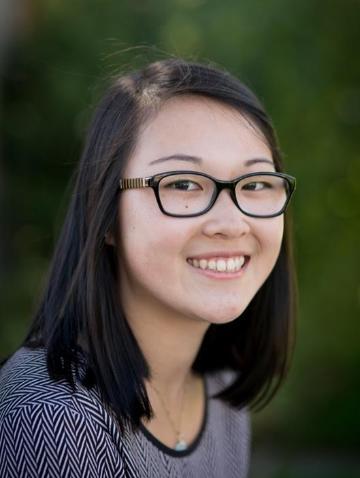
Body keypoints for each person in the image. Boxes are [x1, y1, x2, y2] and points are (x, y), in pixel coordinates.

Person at [0, 58, 297, 477]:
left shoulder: (222, 394)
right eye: (182, 184)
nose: (232, 223)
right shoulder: (52, 417)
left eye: (255, 184)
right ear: (106, 217)